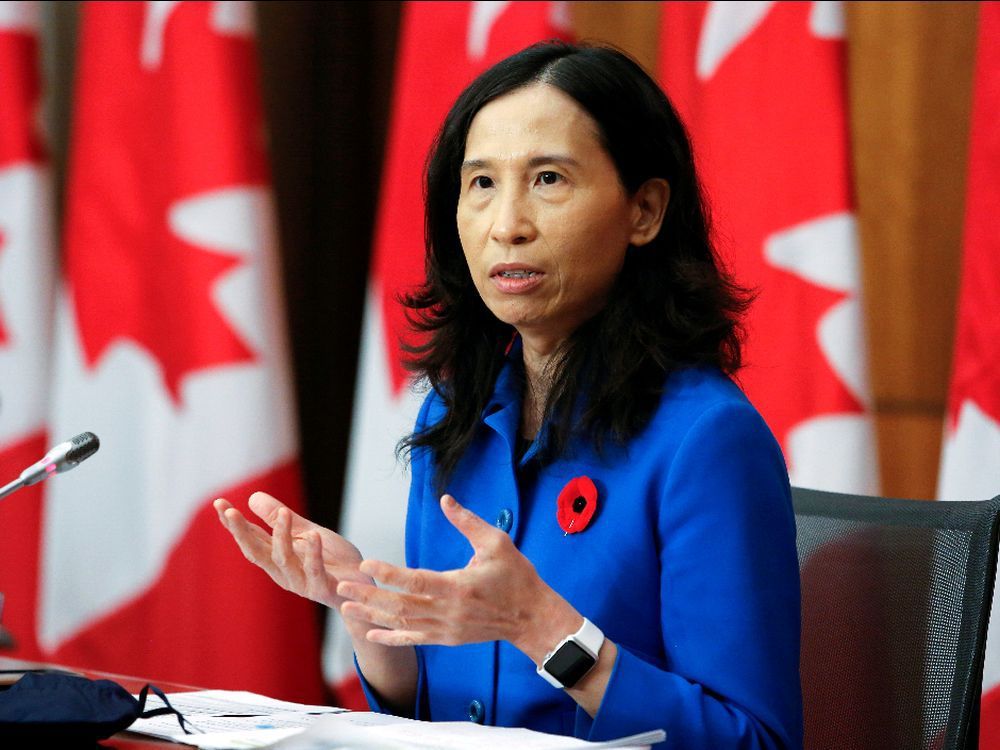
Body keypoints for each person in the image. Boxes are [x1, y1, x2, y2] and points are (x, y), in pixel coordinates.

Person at [214, 41, 803, 749]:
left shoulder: (706, 440)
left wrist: (545, 629)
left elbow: (756, 742)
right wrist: (371, 620)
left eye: (548, 179)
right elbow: (451, 720)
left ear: (643, 210)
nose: (506, 224)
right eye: (482, 184)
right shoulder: (455, 415)